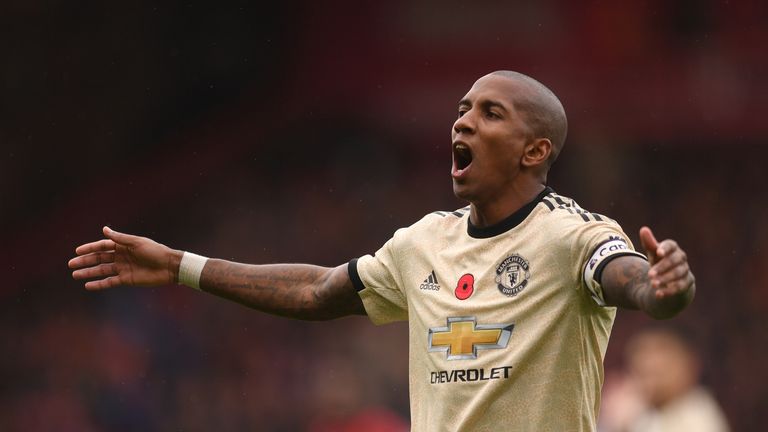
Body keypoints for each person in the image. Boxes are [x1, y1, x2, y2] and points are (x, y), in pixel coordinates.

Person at [69, 70, 696, 431]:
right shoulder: (424, 241)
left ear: (535, 151)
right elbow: (318, 291)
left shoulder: (572, 233)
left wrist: (661, 290)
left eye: (490, 113)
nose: (463, 122)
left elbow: (627, 279)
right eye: (461, 111)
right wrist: (182, 266)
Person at [599, 327, 729, 432]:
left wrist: (635, 422)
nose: (649, 362)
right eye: (643, 373)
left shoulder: (698, 412)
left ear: (688, 366)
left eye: (658, 370)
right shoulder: (635, 409)